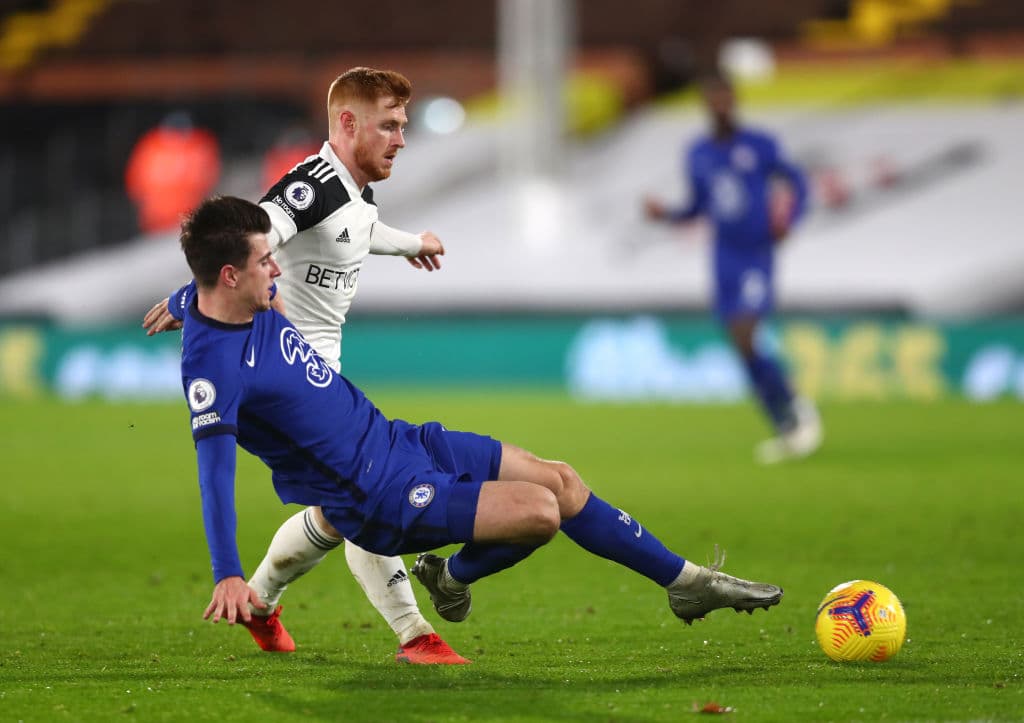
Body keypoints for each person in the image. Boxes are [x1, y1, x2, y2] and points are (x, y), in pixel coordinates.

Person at [175, 195, 784, 651]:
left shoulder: (242, 299)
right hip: (378, 498)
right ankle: (453, 576)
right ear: (230, 276)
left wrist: (181, 300)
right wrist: (227, 573)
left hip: (399, 441)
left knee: (560, 479)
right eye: (265, 261)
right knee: (541, 512)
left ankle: (684, 582)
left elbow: (206, 296)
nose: (277, 270)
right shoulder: (215, 371)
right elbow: (214, 477)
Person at [143, 68, 460, 664]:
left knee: (340, 511)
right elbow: (244, 239)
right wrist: (191, 296)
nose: (400, 139)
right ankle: (416, 635)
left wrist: (413, 243)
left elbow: (359, 230)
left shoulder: (354, 192)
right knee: (365, 493)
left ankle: (260, 604)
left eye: (402, 125)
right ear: (349, 123)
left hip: (319, 373)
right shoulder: (309, 188)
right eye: (389, 125)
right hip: (283, 376)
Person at [644, 72, 822, 464]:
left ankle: (796, 406)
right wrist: (665, 215)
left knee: (746, 335)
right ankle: (784, 424)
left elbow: (798, 182)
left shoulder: (759, 144)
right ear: (705, 104)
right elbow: (698, 206)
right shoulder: (697, 153)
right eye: (713, 99)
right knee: (741, 346)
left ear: (734, 100)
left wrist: (789, 220)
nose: (720, 106)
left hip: (756, 252)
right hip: (724, 257)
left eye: (725, 98)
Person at [125, 111, 221, 234]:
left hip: (184, 219)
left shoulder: (199, 145)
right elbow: (134, 181)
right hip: (161, 220)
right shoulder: (151, 145)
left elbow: (134, 183)